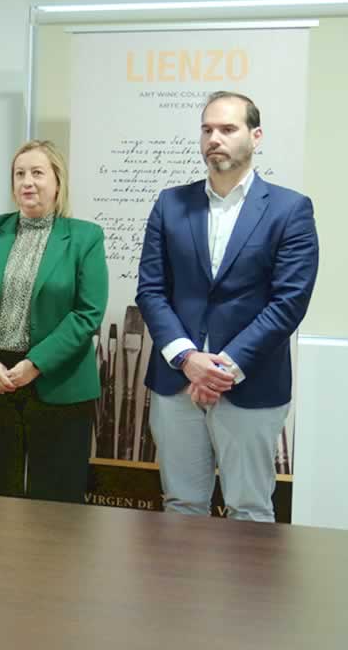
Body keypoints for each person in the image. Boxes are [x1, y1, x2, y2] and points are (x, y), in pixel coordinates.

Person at [136, 91, 319, 522]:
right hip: (176, 383)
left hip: (250, 384)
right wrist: (186, 358)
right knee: (180, 507)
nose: (214, 138)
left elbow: (288, 303)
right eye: (207, 129)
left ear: (256, 137)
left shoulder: (289, 209)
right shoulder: (170, 203)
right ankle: (184, 594)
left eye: (227, 129)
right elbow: (151, 290)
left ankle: (246, 595)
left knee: (250, 511)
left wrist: (222, 369)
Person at [0, 140, 107, 503]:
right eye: (20, 174)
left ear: (58, 181)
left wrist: (35, 363)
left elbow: (87, 313)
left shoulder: (85, 237)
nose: (28, 182)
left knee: (55, 502)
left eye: (38, 173)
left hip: (58, 380)